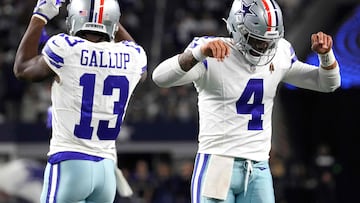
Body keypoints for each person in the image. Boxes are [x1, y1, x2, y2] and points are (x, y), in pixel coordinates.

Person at [151, 0, 341, 202]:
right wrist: (197, 54)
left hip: (259, 167)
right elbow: (160, 78)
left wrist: (326, 56)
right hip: (218, 164)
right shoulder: (213, 52)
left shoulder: (280, 53)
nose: (265, 46)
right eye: (258, 40)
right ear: (237, 28)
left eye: (270, 40)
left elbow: (327, 83)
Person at [13, 0, 147, 202]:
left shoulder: (65, 47)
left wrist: (39, 17)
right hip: (106, 170)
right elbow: (137, 60)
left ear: (75, 18)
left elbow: (22, 69)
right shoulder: (133, 55)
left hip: (69, 162)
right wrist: (108, 18)